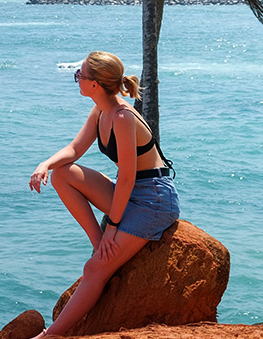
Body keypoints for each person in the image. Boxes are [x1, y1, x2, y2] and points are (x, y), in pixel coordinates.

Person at [28, 51, 179, 338]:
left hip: (153, 199)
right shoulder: (100, 110)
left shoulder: (122, 116)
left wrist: (112, 226)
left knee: (95, 269)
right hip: (133, 192)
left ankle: (51, 335)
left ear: (95, 83)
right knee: (63, 173)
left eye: (79, 76)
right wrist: (45, 164)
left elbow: (127, 178)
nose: (77, 80)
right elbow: (74, 150)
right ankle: (99, 246)